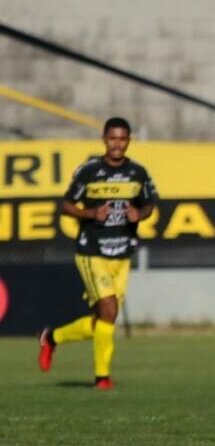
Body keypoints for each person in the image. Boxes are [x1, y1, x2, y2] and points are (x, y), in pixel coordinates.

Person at [37, 117, 159, 389]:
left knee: (102, 320)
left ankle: (51, 338)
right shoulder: (89, 171)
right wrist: (92, 213)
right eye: (113, 138)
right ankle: (102, 378)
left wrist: (139, 213)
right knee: (109, 309)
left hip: (122, 254)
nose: (117, 144)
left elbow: (150, 203)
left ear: (128, 141)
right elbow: (66, 205)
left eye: (123, 139)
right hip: (92, 251)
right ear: (104, 139)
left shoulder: (138, 173)